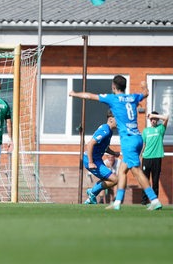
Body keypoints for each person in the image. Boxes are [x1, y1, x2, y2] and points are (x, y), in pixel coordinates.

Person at [69, 75, 162, 210]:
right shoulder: (132, 97)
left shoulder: (113, 99)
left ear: (113, 87)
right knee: (122, 171)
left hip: (129, 139)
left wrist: (75, 93)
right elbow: (145, 93)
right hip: (138, 137)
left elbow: (90, 96)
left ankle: (154, 200)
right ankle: (117, 202)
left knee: (136, 171)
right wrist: (144, 86)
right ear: (124, 87)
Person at [82, 110, 119, 205]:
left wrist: (113, 153)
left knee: (108, 179)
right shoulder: (105, 130)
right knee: (114, 179)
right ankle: (92, 192)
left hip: (97, 159)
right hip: (91, 159)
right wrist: (90, 162)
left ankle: (90, 199)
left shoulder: (108, 131)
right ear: (111, 119)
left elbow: (104, 147)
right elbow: (90, 144)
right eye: (117, 119)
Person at [141, 111, 169, 205]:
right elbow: (144, 144)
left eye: (155, 119)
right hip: (146, 158)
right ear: (150, 120)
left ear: (157, 120)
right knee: (145, 180)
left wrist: (155, 115)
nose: (153, 121)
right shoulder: (145, 130)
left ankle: (154, 201)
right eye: (152, 119)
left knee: (155, 181)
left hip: (157, 158)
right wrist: (140, 155)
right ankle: (144, 201)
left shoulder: (161, 128)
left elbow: (166, 117)